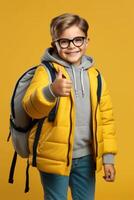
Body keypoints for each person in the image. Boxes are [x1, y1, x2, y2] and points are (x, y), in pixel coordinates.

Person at [22, 13, 117, 200]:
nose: (72, 46)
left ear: (87, 41)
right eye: (64, 41)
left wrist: (108, 159)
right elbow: (30, 107)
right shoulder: (46, 71)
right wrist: (51, 91)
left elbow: (106, 119)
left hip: (86, 158)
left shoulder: (95, 76)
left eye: (78, 39)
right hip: (53, 156)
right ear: (55, 43)